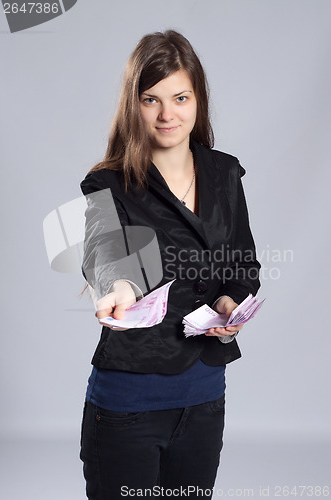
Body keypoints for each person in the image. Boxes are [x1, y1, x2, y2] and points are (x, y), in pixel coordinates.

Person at [79, 30, 261, 500]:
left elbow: (243, 262)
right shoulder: (108, 183)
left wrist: (230, 300)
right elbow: (102, 246)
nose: (167, 114)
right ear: (133, 105)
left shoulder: (224, 174)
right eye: (151, 99)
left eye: (180, 97)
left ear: (197, 98)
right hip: (128, 406)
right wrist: (117, 285)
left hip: (203, 397)